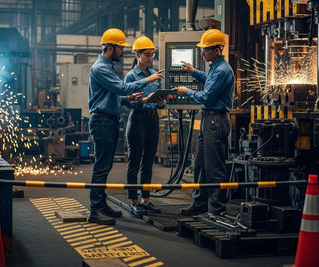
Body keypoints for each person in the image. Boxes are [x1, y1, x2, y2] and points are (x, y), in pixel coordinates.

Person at [87, 28, 164, 225]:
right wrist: (147, 80)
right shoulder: (101, 68)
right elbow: (120, 87)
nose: (123, 52)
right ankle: (95, 210)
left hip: (109, 121)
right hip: (102, 121)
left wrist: (128, 98)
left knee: (105, 166)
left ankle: (101, 204)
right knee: (101, 167)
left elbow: (116, 95)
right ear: (111, 47)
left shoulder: (108, 66)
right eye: (121, 48)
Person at [174, 29, 235, 217]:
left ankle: (217, 210)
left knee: (214, 167)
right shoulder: (216, 68)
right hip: (209, 120)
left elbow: (207, 96)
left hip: (215, 120)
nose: (202, 53)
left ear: (217, 50)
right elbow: (209, 80)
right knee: (200, 164)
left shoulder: (222, 70)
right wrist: (194, 72)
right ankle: (200, 203)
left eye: (206, 50)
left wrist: (187, 92)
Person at [123, 36, 165, 216]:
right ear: (138, 55)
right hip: (137, 119)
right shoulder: (131, 76)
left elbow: (162, 100)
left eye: (152, 55)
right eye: (147, 55)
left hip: (152, 119)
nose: (150, 58)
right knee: (135, 161)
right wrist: (141, 102)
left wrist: (162, 103)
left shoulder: (155, 74)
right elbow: (127, 102)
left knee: (148, 162)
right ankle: (134, 200)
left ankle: (146, 200)